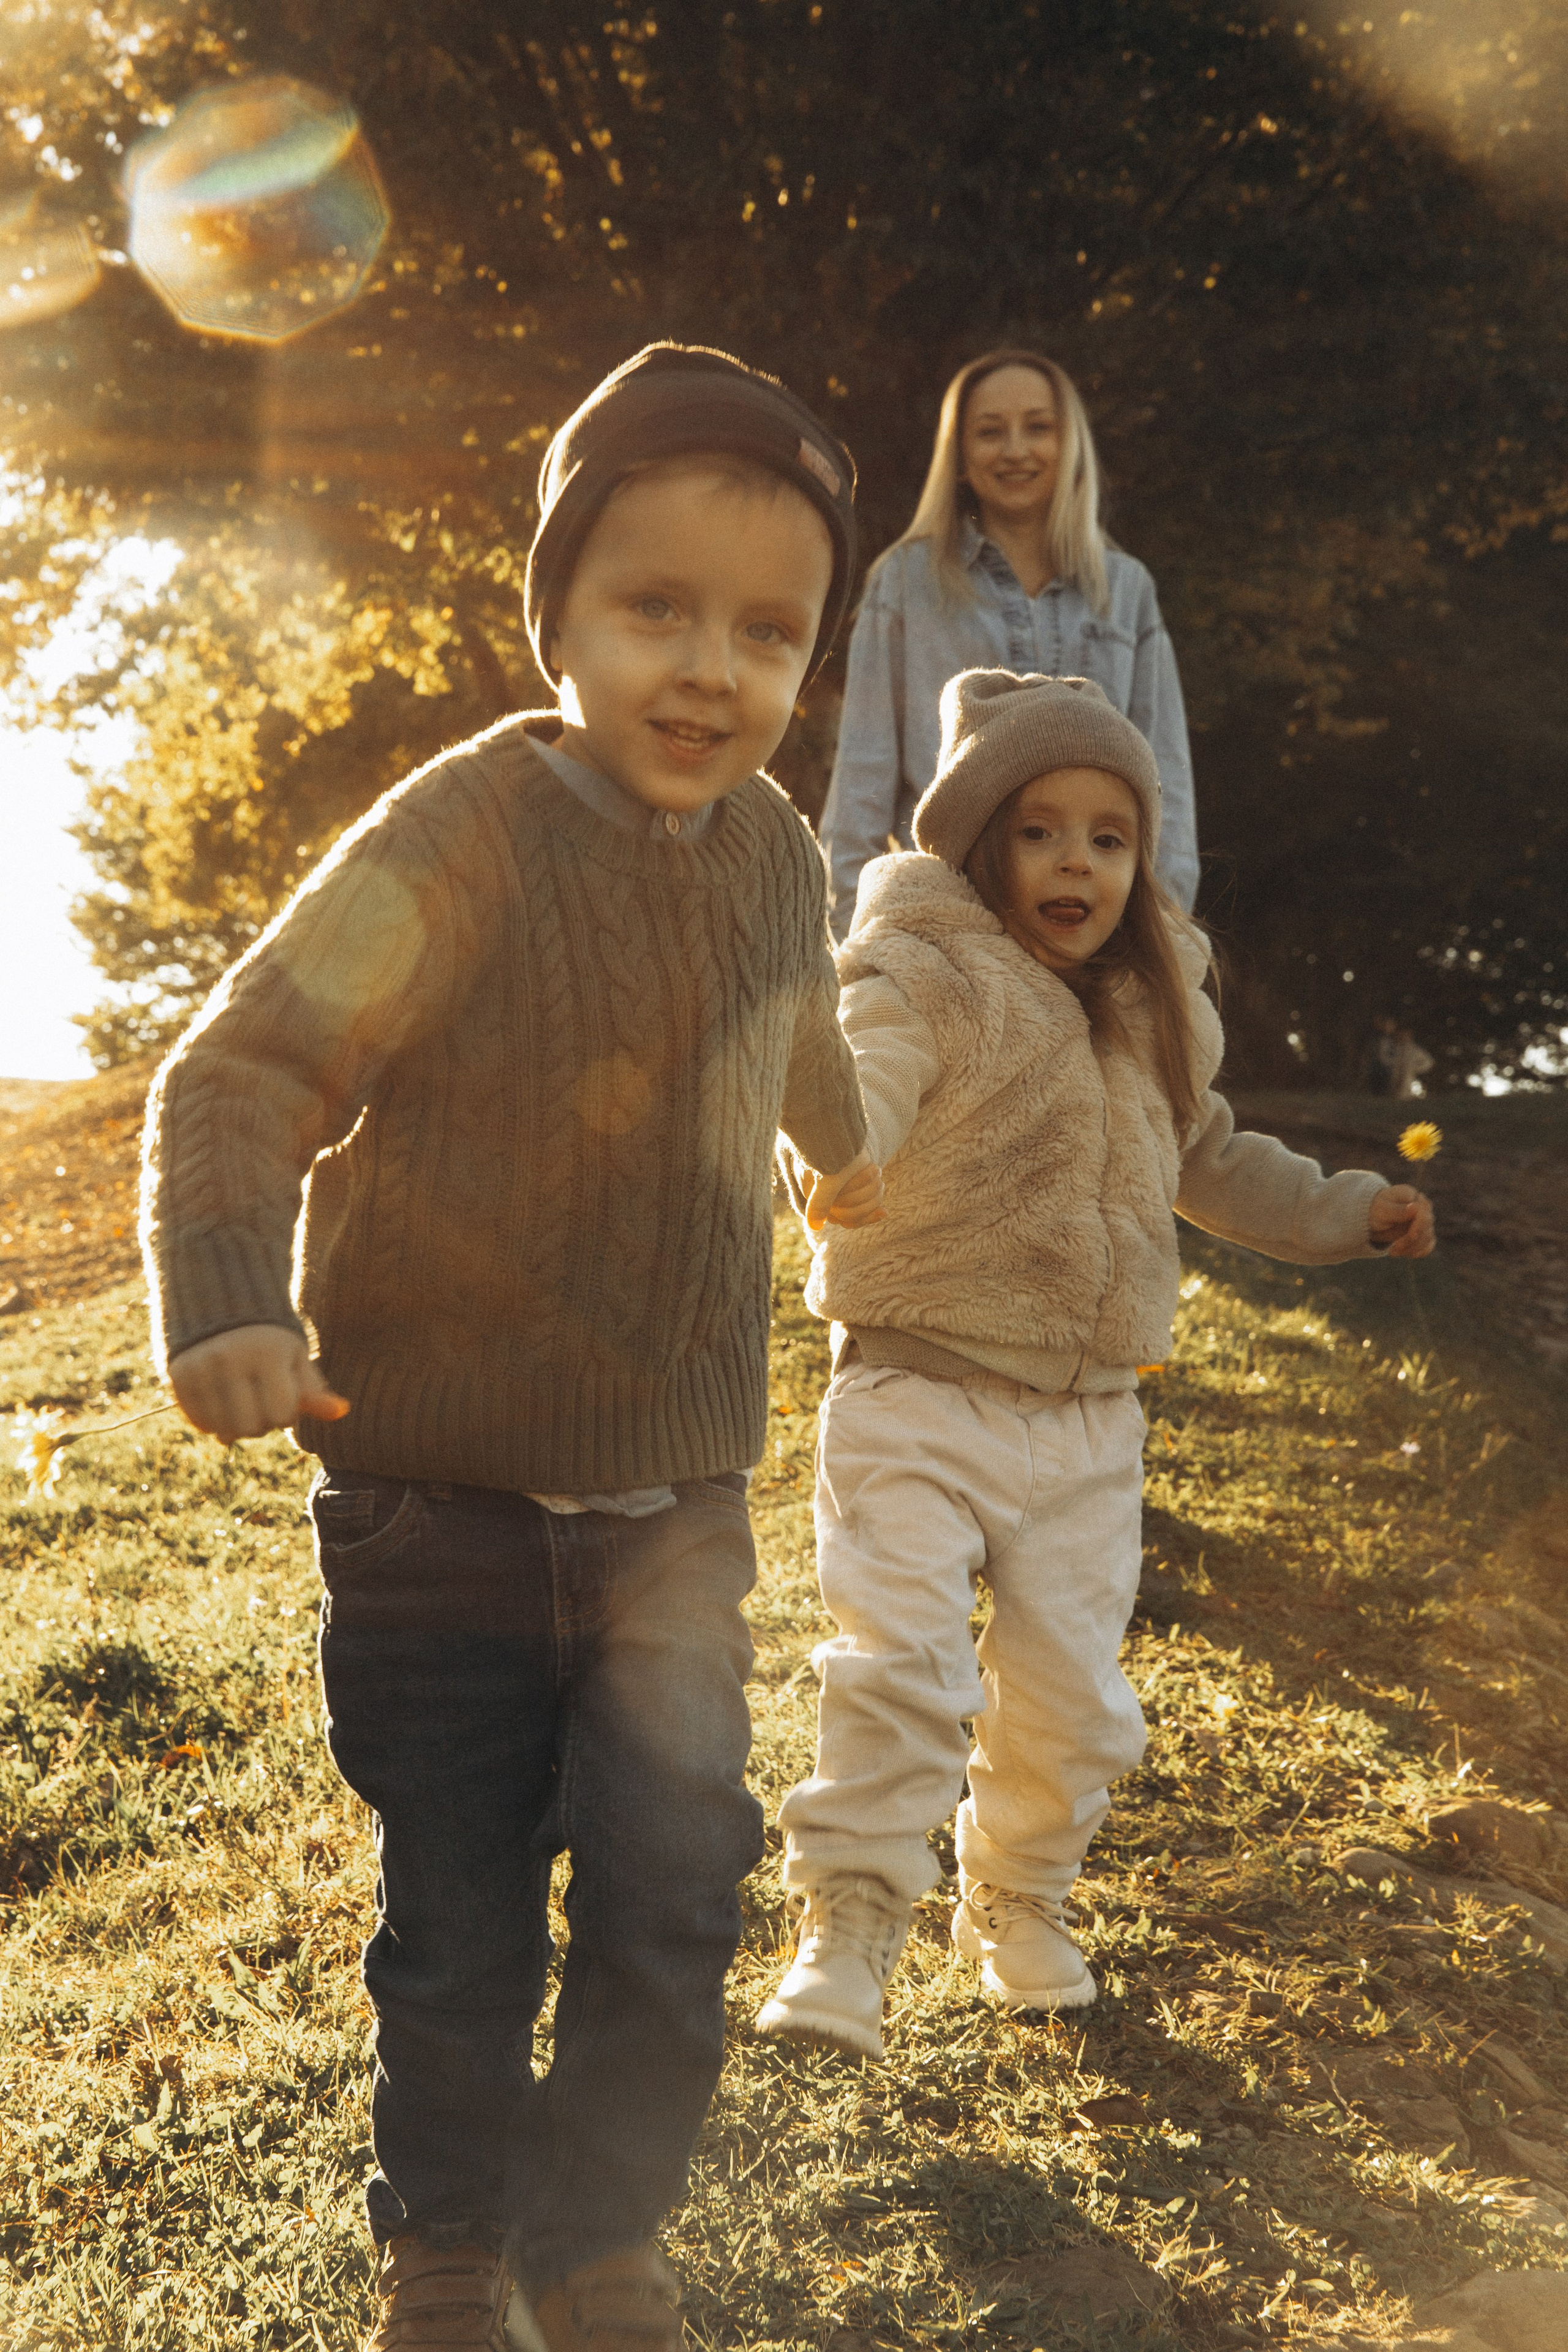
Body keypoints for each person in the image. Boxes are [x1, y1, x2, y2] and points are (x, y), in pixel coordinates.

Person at [140, 344, 886, 2352]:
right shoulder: (463, 831)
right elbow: (249, 1066)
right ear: (551, 612)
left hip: (676, 1525)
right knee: (460, 1930)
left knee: (668, 1909)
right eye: (656, 610)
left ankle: (600, 2236)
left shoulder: (778, 856)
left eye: (768, 630)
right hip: (441, 1518)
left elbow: (795, 1026)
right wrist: (226, 1297)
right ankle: (453, 2246)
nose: (711, 670)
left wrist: (848, 1158)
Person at [757, 671, 1436, 2063]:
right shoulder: (923, 970)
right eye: (1039, 831)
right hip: (915, 1389)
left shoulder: (1148, 1010)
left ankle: (1016, 1898)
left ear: (1138, 859)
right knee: (899, 1668)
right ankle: (852, 1919)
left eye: (1107, 837)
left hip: (1085, 1424)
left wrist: (1342, 1210)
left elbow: (1209, 1158)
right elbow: (857, 1080)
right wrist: (842, 1157)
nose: (1077, 862)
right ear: (975, 844)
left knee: (1071, 1697)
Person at [818, 349, 1200, 939]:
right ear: (962, 456)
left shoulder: (1125, 590)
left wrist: (1163, 950)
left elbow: (1165, 787)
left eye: (1038, 428)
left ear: (1068, 444)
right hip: (943, 938)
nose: (1016, 449)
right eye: (990, 432)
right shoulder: (904, 582)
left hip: (1093, 942)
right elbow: (859, 793)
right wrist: (860, 947)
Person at [1390, 1024, 1434, 1099]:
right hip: (1396, 1078)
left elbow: (1429, 1062)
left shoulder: (1415, 1050)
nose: (1403, 1037)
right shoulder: (1396, 1048)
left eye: (1406, 1035)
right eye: (1402, 1034)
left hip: (1409, 1079)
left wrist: (1415, 1069)